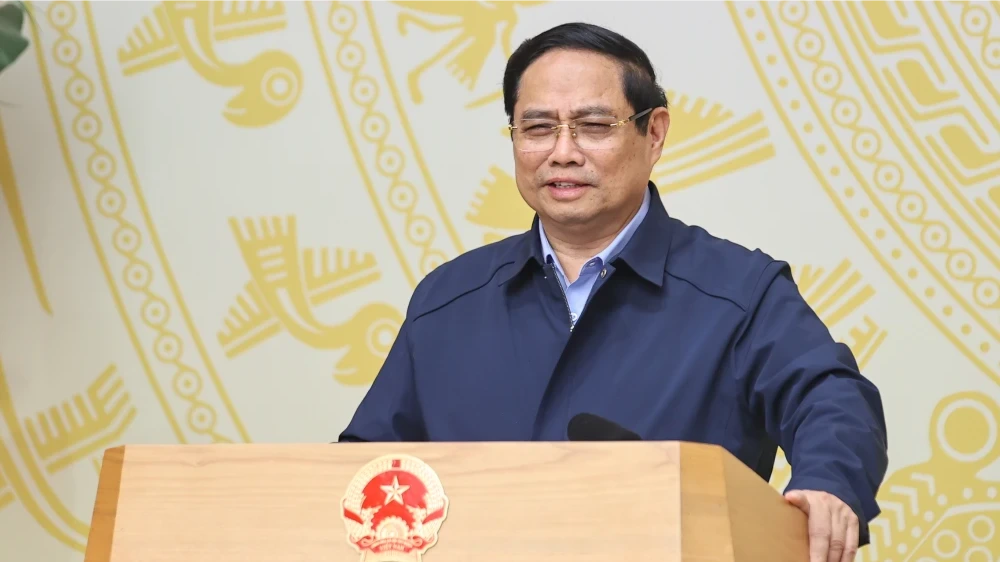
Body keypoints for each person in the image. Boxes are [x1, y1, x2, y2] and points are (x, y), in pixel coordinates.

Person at [339, 21, 888, 562]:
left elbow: (833, 400)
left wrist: (829, 484)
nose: (563, 152)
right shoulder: (449, 301)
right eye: (538, 128)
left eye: (594, 126)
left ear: (654, 134)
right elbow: (362, 471)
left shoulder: (738, 293)